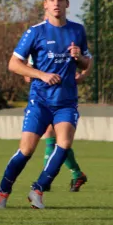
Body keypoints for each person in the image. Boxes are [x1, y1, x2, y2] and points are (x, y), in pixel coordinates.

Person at [0, 0, 91, 209]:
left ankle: (37, 190)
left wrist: (80, 59)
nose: (56, 3)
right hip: (40, 102)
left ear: (67, 4)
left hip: (66, 101)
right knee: (26, 150)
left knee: (64, 143)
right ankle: (3, 191)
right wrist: (41, 75)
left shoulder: (78, 30)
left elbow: (87, 62)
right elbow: (13, 64)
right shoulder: (35, 32)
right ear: (45, 4)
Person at [25, 44, 90, 192]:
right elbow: (27, 69)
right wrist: (30, 75)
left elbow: (88, 60)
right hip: (43, 98)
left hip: (63, 99)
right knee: (52, 138)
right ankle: (76, 174)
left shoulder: (70, 40)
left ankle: (49, 180)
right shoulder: (38, 42)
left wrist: (83, 75)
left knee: (59, 140)